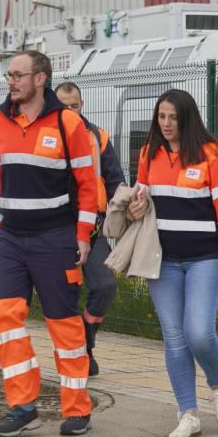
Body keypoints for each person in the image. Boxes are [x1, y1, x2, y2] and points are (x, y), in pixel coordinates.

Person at [0, 50, 103, 437]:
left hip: (55, 240)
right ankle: (22, 406)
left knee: (65, 327)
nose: (11, 81)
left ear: (41, 79)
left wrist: (83, 237)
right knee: (4, 317)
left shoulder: (68, 123)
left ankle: (77, 409)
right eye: (9, 75)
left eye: (18, 75)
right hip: (12, 241)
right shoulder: (0, 120)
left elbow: (89, 188)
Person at [127, 88, 218, 437]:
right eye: (161, 117)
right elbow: (142, 201)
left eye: (173, 118)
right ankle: (187, 413)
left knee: (198, 332)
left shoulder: (211, 153)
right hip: (163, 260)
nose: (166, 124)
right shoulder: (149, 153)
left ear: (187, 118)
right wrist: (136, 209)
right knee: (174, 339)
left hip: (205, 258)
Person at [55, 82, 127, 376]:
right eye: (64, 106)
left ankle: (86, 339)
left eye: (74, 106)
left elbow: (114, 179)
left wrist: (126, 202)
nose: (70, 111)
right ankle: (78, 356)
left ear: (81, 105)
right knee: (65, 294)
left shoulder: (98, 136)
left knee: (105, 286)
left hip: (93, 228)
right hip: (59, 229)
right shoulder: (47, 136)